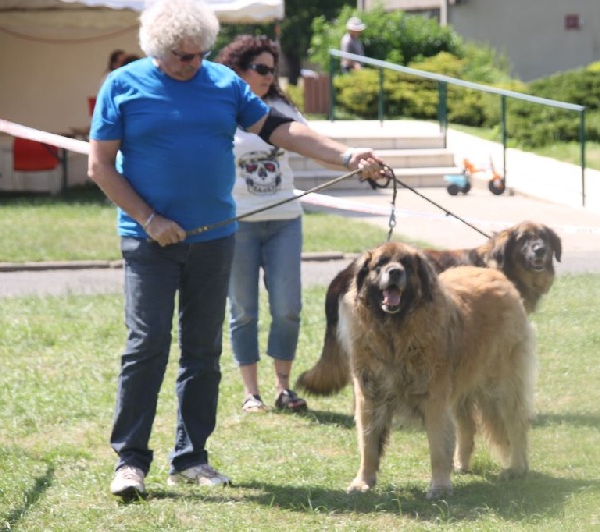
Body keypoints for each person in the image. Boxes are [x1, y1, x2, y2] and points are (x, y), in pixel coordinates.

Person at [88, 0, 384, 500]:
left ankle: (191, 457)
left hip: (214, 240)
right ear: (159, 51)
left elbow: (279, 129)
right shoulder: (124, 85)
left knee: (203, 352)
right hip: (148, 241)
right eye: (184, 56)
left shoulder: (224, 84)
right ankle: (130, 461)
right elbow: (101, 167)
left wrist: (347, 155)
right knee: (147, 346)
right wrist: (150, 219)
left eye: (201, 53)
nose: (194, 63)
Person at [216, 36, 314, 414]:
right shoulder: (224, 107)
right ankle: (250, 393)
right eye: (261, 69)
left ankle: (283, 388)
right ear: (238, 68)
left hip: (285, 221)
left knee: (287, 307)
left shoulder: (282, 108)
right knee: (243, 310)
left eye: (274, 70)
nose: (269, 76)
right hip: (238, 223)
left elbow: (309, 142)